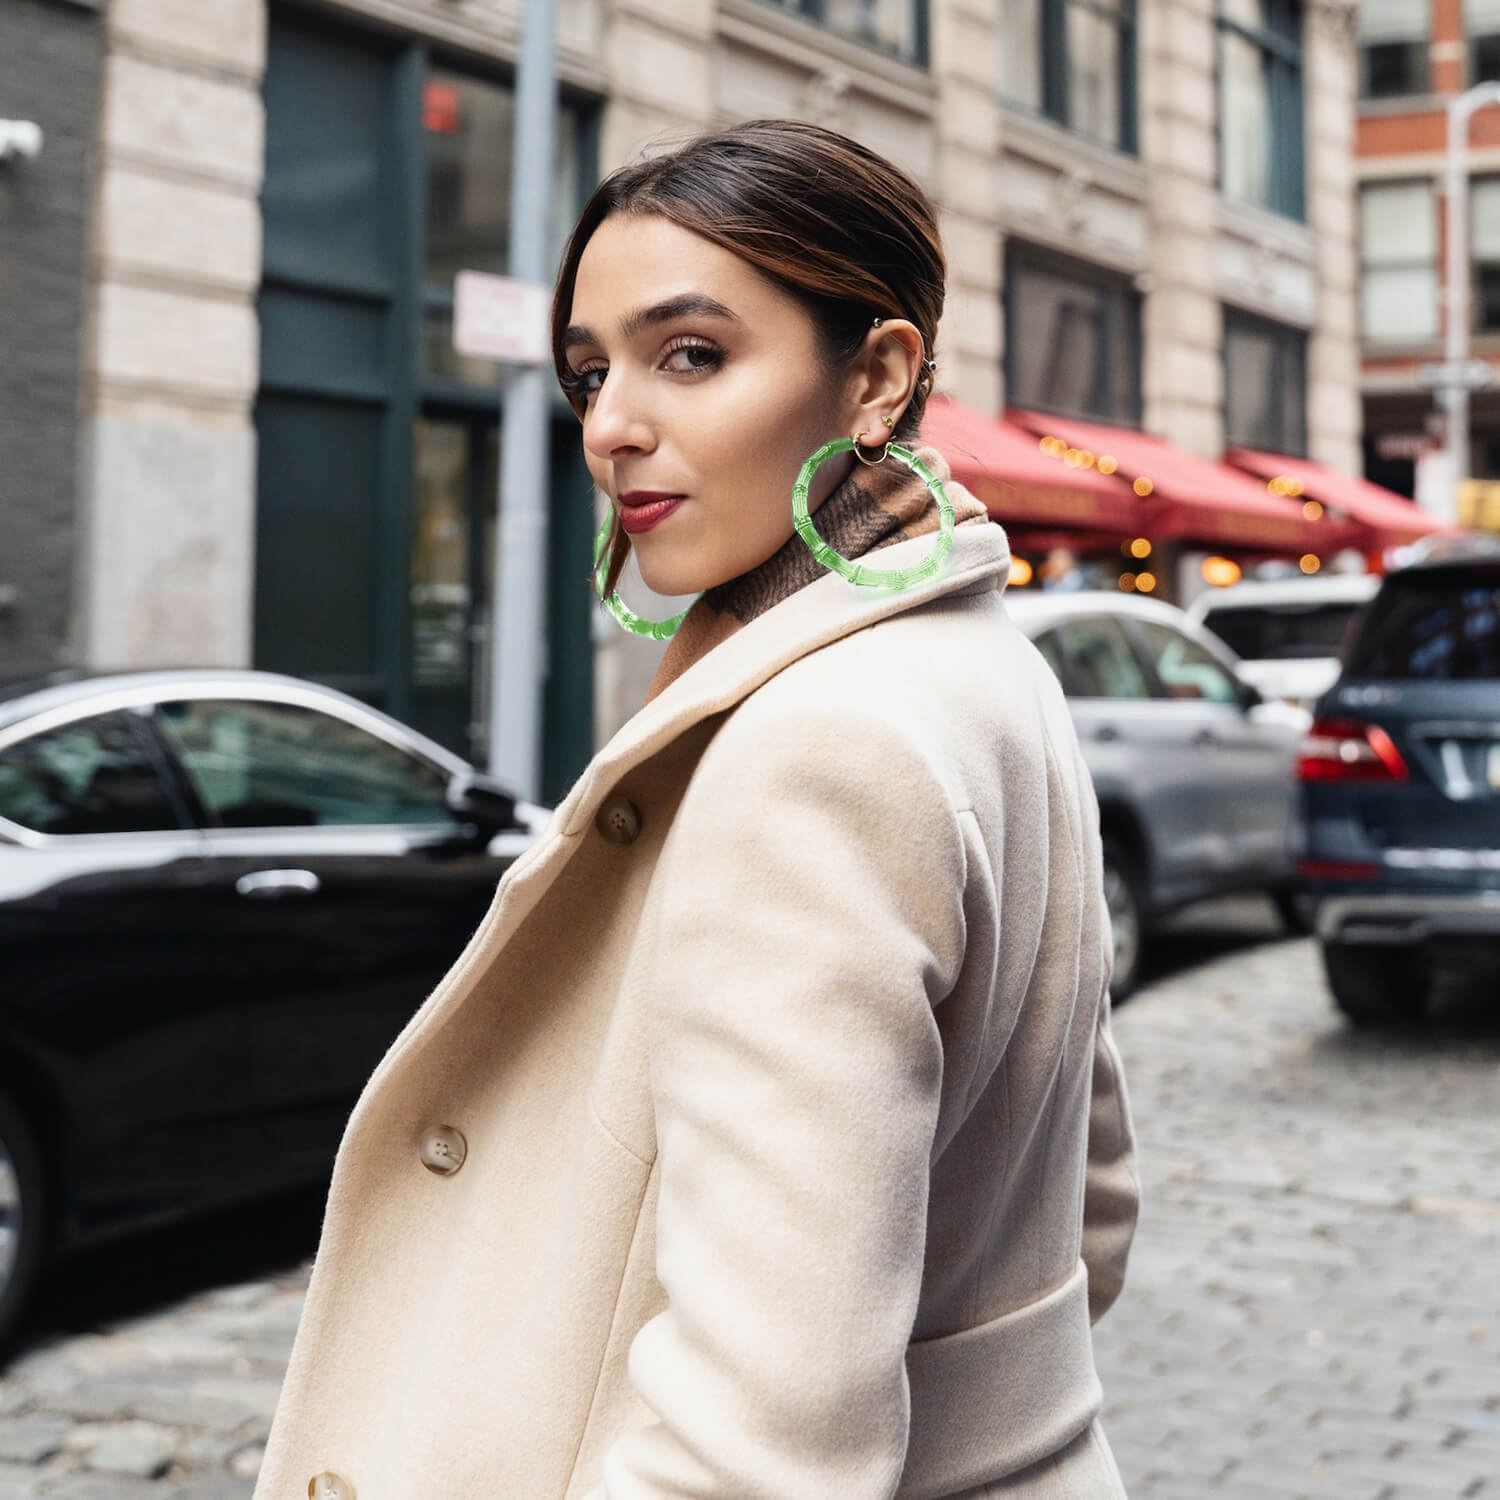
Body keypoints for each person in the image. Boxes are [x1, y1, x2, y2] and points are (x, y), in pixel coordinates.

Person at [255, 119, 1139, 1500]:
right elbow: (1088, 1222)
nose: (611, 423)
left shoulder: (812, 747)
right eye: (592, 369)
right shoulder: (994, 672)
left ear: (879, 376)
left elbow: (760, 1451)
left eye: (691, 354)